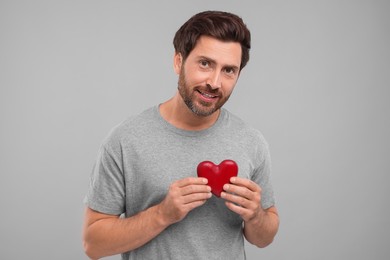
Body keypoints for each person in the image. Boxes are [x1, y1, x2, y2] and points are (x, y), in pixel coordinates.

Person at [82, 10, 279, 260]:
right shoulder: (125, 140)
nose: (215, 82)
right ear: (178, 62)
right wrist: (162, 214)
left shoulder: (252, 141)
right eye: (205, 63)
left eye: (229, 70)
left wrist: (255, 216)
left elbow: (264, 237)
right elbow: (93, 245)